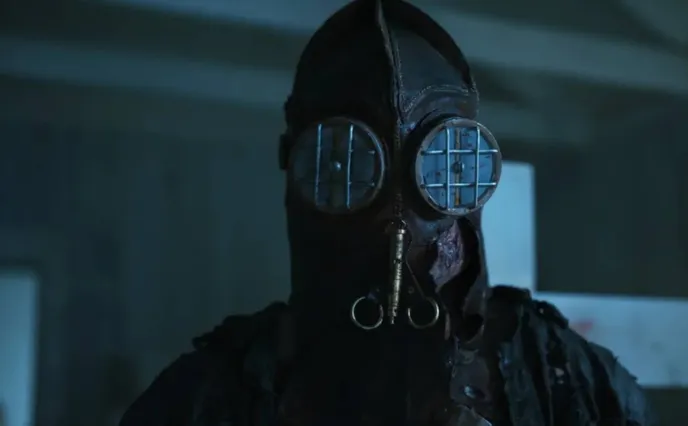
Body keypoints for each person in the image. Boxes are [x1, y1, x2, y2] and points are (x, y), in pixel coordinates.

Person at [119, 1, 656, 425]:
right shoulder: (212, 393)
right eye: (346, 163)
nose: (394, 217)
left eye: (438, 163)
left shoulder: (567, 378)